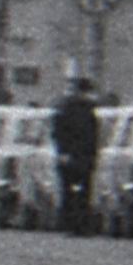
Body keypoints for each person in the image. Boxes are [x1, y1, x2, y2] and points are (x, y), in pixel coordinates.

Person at [47, 76, 105, 235]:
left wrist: (93, 155)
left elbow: (94, 136)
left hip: (83, 156)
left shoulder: (88, 109)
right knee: (71, 191)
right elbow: (59, 133)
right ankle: (72, 224)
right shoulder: (66, 109)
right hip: (73, 156)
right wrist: (63, 152)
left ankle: (81, 224)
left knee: (82, 192)